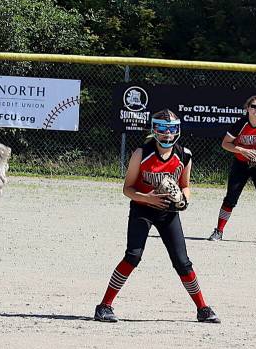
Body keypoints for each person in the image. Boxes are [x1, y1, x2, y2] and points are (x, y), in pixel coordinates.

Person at [94, 110, 221, 324]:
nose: (167, 134)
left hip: (167, 212)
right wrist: (148, 198)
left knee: (182, 262)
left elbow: (185, 186)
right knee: (133, 255)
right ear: (154, 129)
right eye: (162, 129)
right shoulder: (141, 153)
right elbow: (127, 189)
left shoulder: (184, 154)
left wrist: (184, 199)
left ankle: (203, 308)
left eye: (172, 129)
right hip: (142, 207)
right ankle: (104, 306)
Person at [208, 95, 256, 244]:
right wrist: (242, 150)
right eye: (253, 106)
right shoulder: (240, 124)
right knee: (230, 199)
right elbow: (225, 144)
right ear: (247, 108)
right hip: (241, 164)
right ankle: (219, 231)